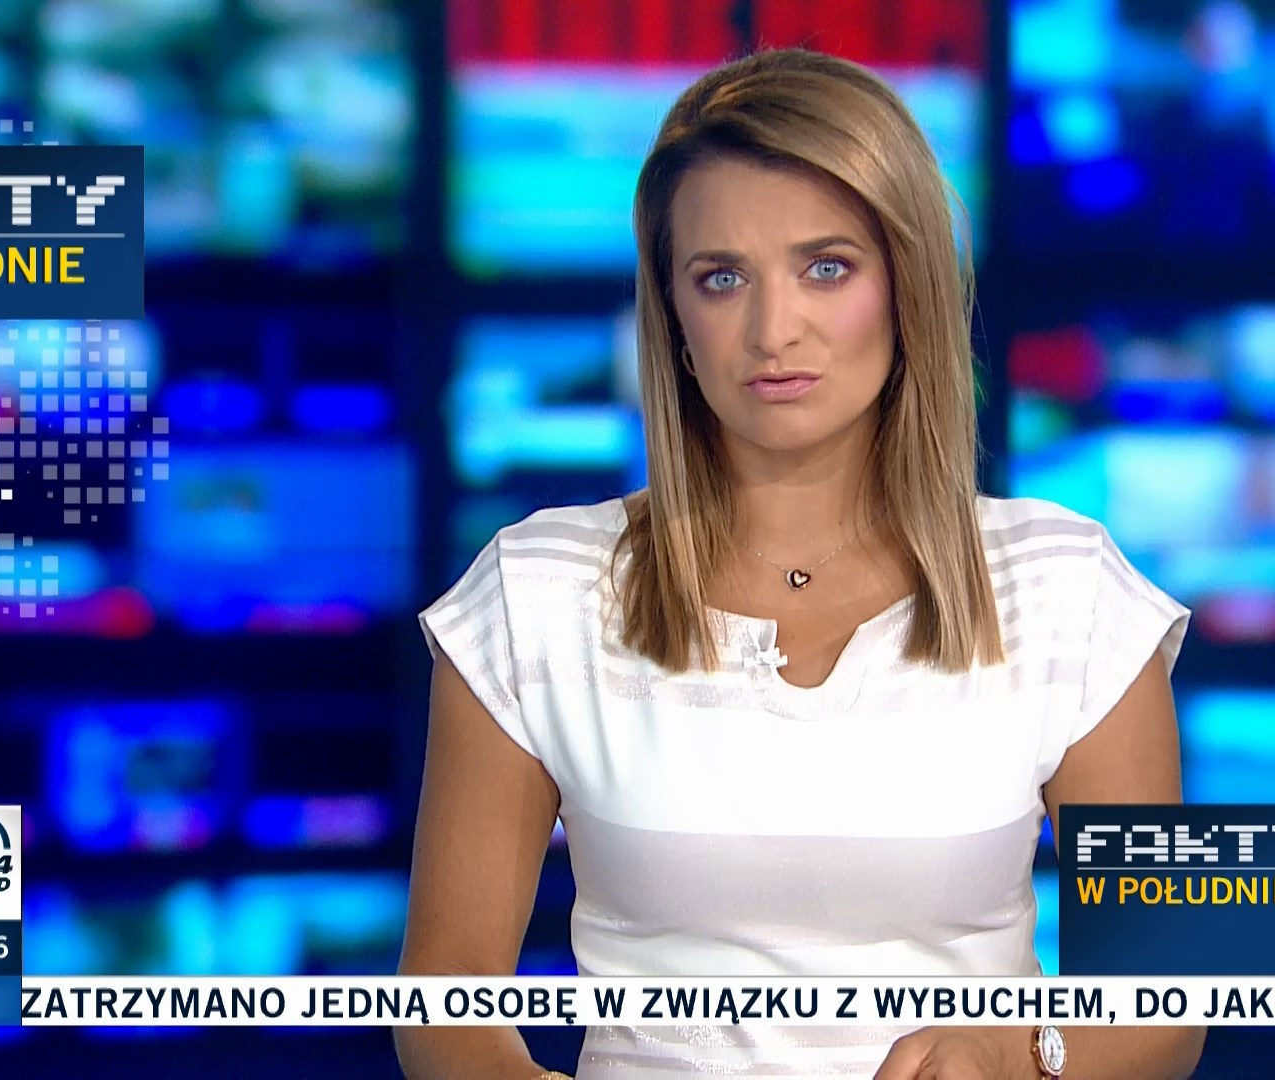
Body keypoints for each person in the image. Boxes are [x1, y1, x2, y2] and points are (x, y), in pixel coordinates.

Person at [395, 48, 1206, 1080]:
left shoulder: (1072, 585)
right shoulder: (536, 588)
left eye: (827, 267)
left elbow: (1171, 1008)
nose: (773, 330)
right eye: (721, 278)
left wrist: (1013, 1053)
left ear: (908, 285)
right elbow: (443, 1004)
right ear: (673, 318)